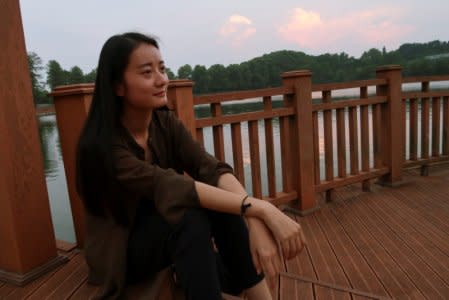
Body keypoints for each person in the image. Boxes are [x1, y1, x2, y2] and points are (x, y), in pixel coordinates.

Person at [76, 32, 306, 300]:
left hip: (166, 230)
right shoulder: (103, 146)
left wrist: (252, 214)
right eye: (147, 72)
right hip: (122, 250)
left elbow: (209, 168)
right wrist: (261, 208)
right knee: (191, 216)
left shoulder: (164, 123)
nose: (162, 80)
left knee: (222, 205)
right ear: (118, 86)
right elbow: (173, 187)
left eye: (162, 69)